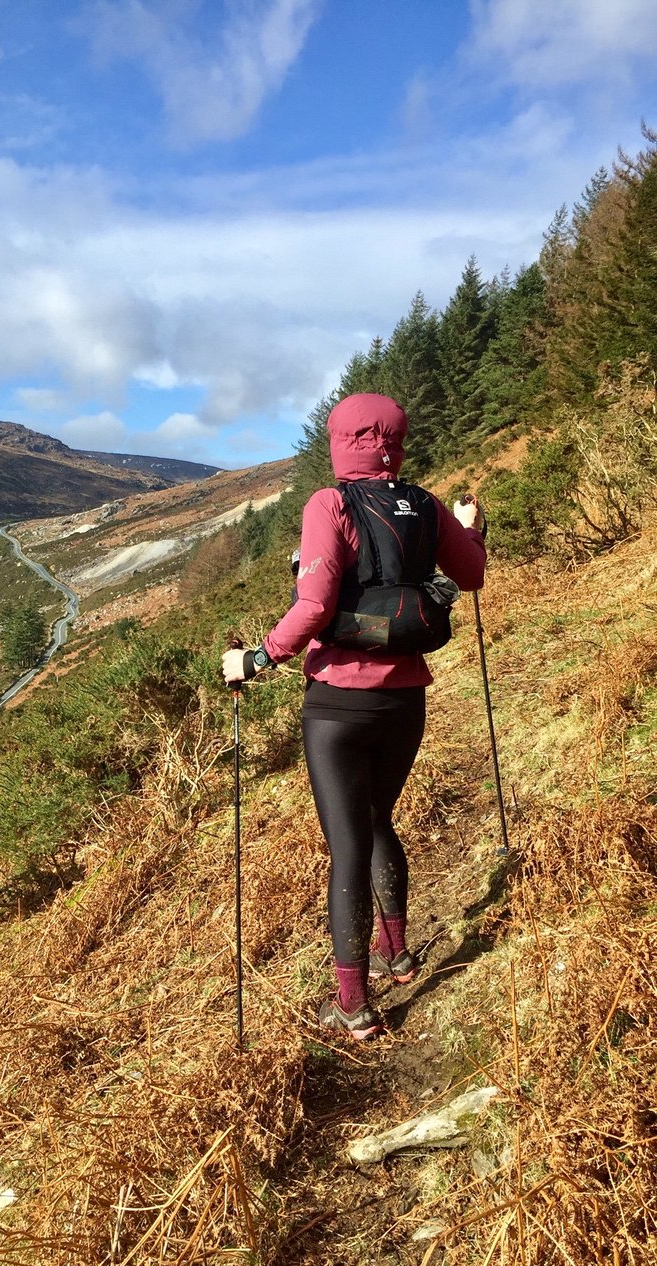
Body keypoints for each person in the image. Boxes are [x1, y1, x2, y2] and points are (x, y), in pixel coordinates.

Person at [222, 393, 487, 1040]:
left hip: (338, 705)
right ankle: (397, 957)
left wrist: (255, 659)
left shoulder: (329, 504)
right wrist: (470, 526)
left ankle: (353, 1005)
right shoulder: (424, 503)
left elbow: (314, 604)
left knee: (347, 846)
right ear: (396, 440)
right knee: (377, 821)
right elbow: (471, 573)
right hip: (406, 699)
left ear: (341, 441)